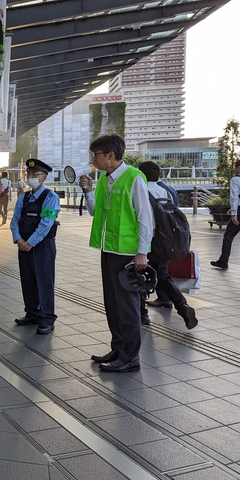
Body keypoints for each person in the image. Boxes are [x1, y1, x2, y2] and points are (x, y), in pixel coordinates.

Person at [80, 134, 153, 373]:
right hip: (108, 249)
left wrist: (142, 252)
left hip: (128, 255)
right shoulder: (104, 180)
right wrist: (88, 191)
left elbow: (145, 218)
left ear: (111, 155)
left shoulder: (134, 178)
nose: (94, 160)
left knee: (128, 306)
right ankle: (118, 348)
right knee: (112, 303)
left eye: (97, 155)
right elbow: (95, 212)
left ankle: (130, 357)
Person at [137, 161, 198, 329]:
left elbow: (143, 220)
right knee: (163, 276)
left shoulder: (142, 191)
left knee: (140, 276)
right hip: (166, 242)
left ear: (140, 175)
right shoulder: (166, 192)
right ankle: (183, 306)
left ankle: (142, 314)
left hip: (149, 241)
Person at [12, 159, 60, 335]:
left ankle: (47, 319)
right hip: (23, 245)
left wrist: (30, 243)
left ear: (44, 177)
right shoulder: (23, 198)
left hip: (42, 246)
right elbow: (14, 221)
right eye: (29, 174)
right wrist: (18, 239)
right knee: (28, 280)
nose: (30, 177)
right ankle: (32, 313)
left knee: (44, 282)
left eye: (35, 174)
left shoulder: (51, 197)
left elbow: (46, 223)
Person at [211, 158, 240, 270]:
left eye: (235, 167)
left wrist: (234, 213)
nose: (234, 169)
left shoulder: (236, 180)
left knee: (228, 236)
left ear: (239, 168)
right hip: (239, 209)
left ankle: (223, 261)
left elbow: (234, 197)